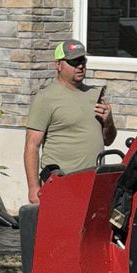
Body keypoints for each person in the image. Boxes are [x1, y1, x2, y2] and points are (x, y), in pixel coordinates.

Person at [23, 38, 116, 205]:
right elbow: (32, 145)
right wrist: (33, 187)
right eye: (74, 61)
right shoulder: (46, 98)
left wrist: (108, 122)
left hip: (95, 182)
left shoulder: (95, 94)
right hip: (62, 184)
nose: (80, 65)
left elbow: (108, 140)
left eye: (82, 60)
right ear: (58, 65)